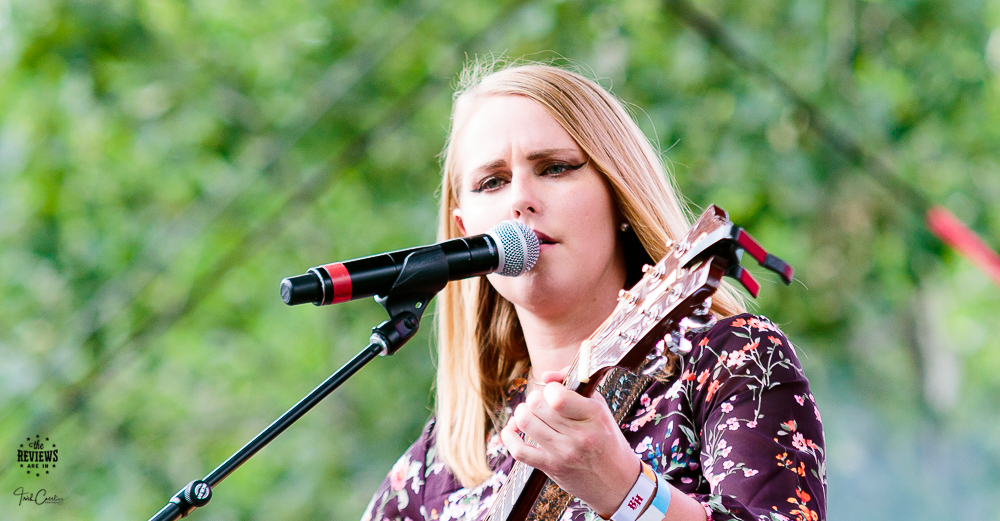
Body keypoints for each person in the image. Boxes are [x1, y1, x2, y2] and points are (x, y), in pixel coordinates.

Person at [361, 60, 826, 521]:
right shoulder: (441, 462)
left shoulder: (728, 359)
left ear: (618, 194)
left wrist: (625, 489)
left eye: (555, 168)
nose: (519, 198)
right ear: (464, 232)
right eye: (492, 182)